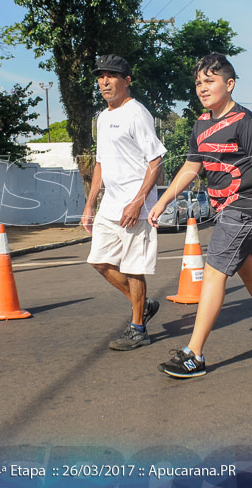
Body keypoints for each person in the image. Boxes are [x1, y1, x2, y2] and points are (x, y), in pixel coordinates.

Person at [149, 53, 252, 378]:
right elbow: (191, 166)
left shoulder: (247, 123)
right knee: (250, 273)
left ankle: (194, 354)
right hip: (223, 209)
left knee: (214, 272)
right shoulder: (202, 123)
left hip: (243, 210)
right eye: (199, 82)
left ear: (229, 84)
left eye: (211, 80)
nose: (203, 88)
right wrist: (163, 202)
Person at [81, 54, 166, 350]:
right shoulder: (103, 118)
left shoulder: (136, 113)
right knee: (100, 261)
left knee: (132, 267)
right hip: (110, 205)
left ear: (126, 81)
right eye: (100, 76)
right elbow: (100, 164)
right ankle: (141, 305)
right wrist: (90, 204)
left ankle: (138, 329)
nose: (104, 81)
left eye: (111, 75)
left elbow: (155, 161)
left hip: (135, 206)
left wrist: (137, 202)